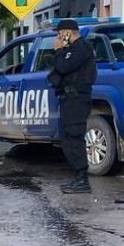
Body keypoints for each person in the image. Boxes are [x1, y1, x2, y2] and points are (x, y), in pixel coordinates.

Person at [48, 19, 97, 194]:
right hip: (68, 99)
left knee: (75, 136)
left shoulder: (82, 47)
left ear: (68, 32)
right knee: (68, 138)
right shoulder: (70, 49)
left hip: (77, 99)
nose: (58, 36)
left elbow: (64, 67)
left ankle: (82, 179)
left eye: (59, 33)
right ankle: (78, 177)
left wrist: (58, 51)